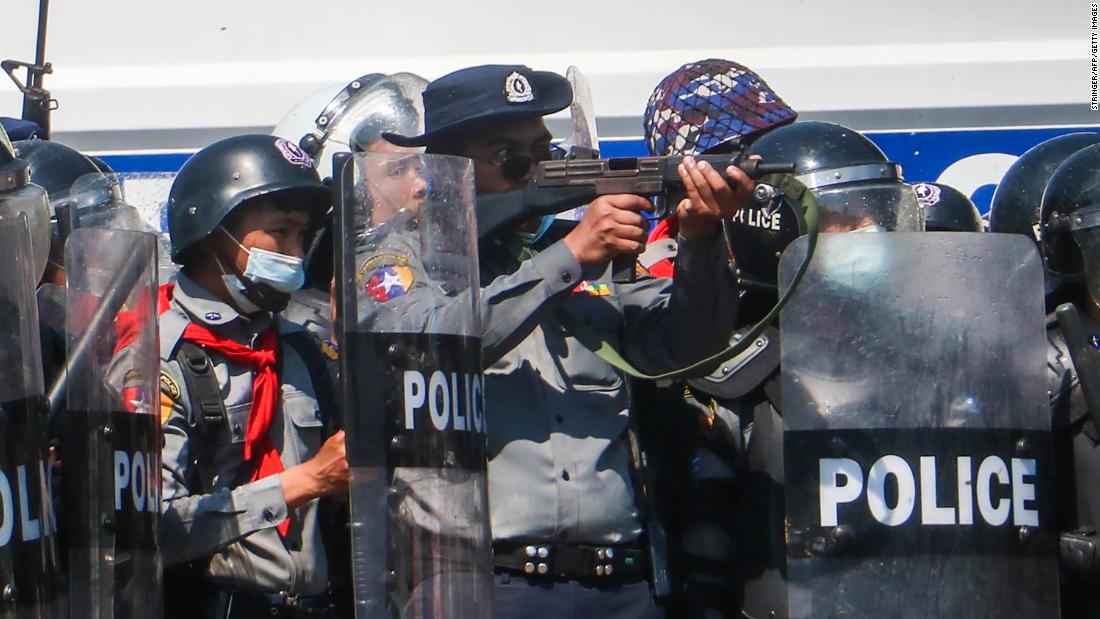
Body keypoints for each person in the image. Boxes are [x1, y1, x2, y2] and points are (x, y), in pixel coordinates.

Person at [383, 63, 753, 618]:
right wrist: (570, 258)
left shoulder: (591, 253)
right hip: (478, 582)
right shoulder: (398, 257)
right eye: (512, 160)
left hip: (617, 584)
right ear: (446, 169)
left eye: (544, 153)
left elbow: (685, 349)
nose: (535, 173)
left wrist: (701, 239)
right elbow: (423, 347)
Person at [158, 133, 348, 618]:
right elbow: (153, 527)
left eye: (303, 237)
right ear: (212, 232)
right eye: (280, 233)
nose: (296, 252)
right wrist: (305, 481)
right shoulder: (155, 354)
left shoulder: (300, 347)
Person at [635, 57, 797, 618]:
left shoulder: (793, 227)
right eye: (742, 148)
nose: (759, 163)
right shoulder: (656, 264)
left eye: (765, 143)